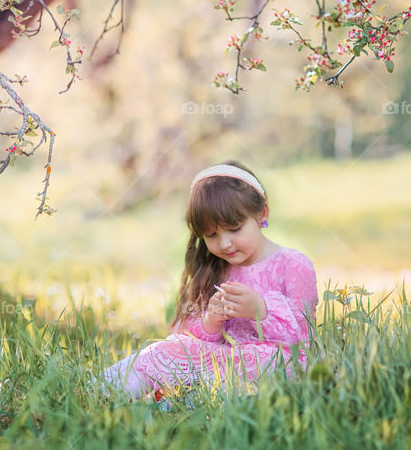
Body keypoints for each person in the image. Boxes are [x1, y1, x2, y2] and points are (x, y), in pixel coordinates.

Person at [102, 161, 318, 399]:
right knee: (170, 349)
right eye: (211, 235)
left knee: (243, 363)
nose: (224, 244)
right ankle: (105, 390)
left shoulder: (292, 264)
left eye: (234, 229)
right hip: (224, 360)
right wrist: (211, 320)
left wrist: (261, 310)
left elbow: (303, 340)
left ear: (262, 214)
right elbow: (191, 337)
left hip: (276, 363)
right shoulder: (215, 267)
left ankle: (194, 395)